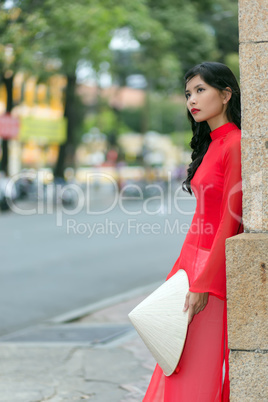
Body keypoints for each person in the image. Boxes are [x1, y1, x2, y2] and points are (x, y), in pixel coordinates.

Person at [143, 62, 243, 401]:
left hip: (213, 278)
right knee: (179, 362)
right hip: (194, 268)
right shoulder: (211, 145)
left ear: (226, 94)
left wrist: (203, 283)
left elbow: (230, 223)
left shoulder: (235, 144)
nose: (192, 100)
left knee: (197, 368)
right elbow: (200, 219)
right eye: (188, 93)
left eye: (201, 90)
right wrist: (179, 273)